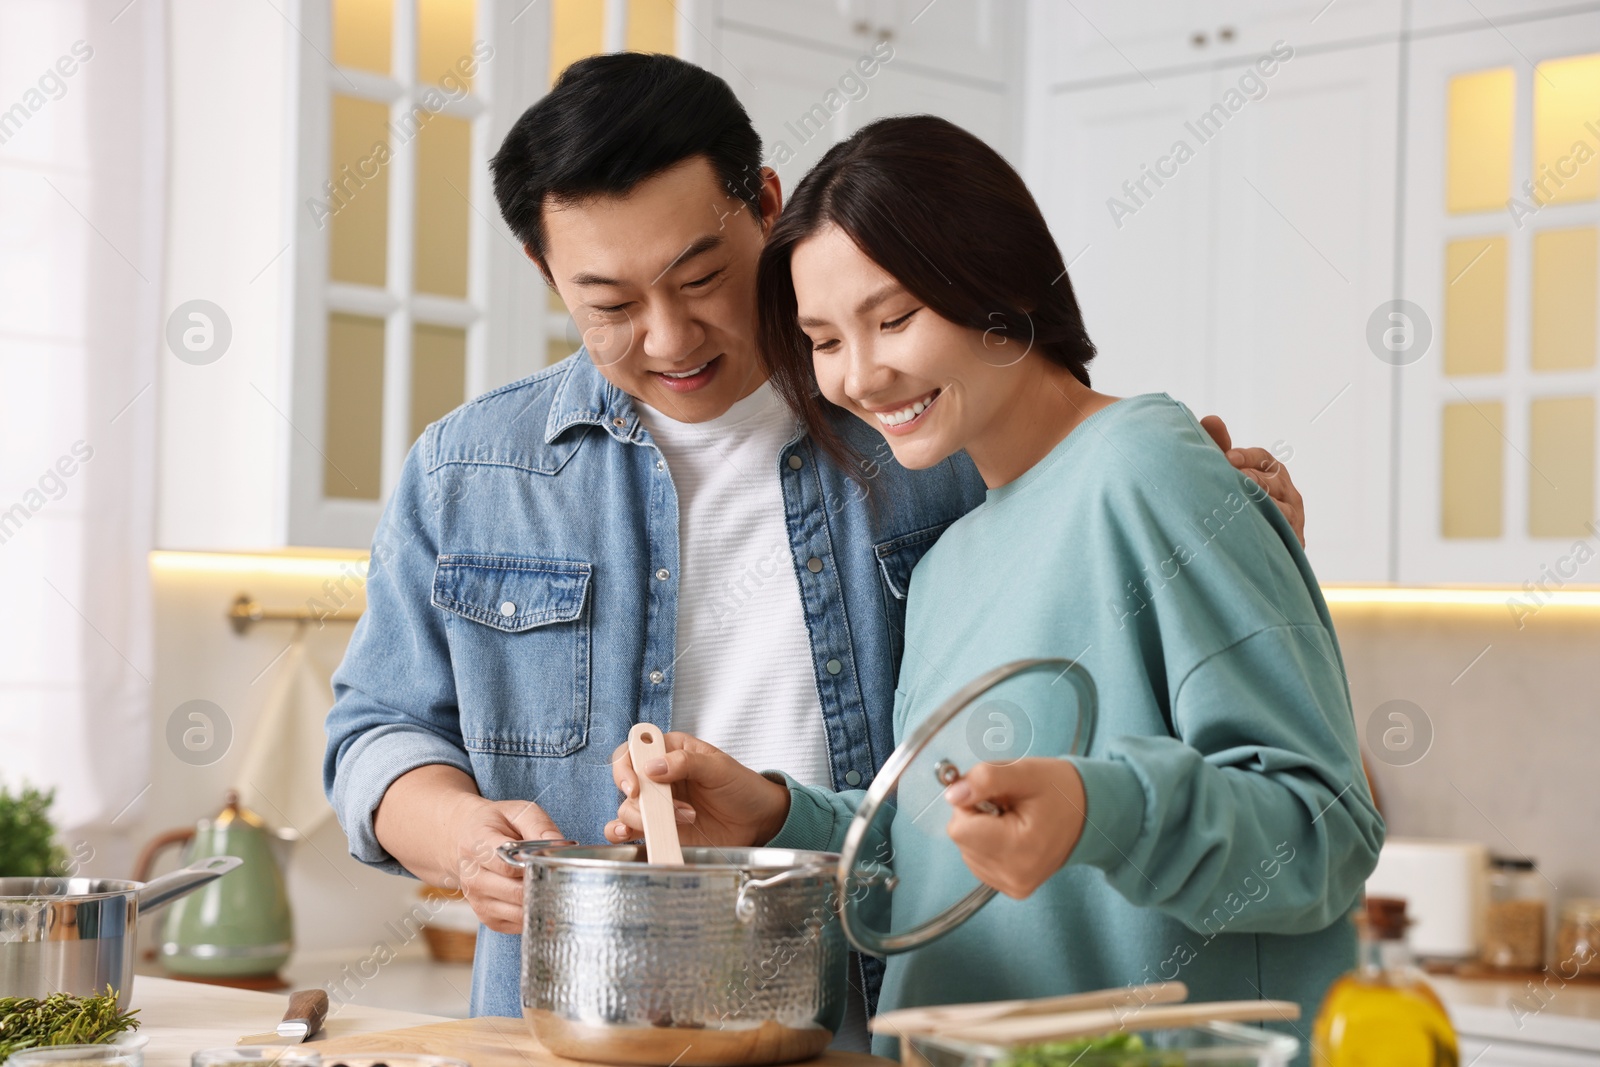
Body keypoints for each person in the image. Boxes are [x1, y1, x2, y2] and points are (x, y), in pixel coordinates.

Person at [322, 53, 1309, 1031]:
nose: (669, 338)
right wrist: (454, 832)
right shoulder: (470, 471)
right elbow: (375, 727)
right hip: (581, 1024)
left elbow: (1114, 568)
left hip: (873, 1011)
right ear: (545, 272)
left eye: (700, 275)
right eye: (611, 306)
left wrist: (1210, 521)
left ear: (762, 200)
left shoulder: (930, 427)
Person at [605, 114, 1381, 1064]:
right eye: (822, 339)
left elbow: (1322, 831)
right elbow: (930, 860)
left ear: (1000, 288)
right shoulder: (947, 565)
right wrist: (772, 813)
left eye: (894, 319)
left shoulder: (1149, 471)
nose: (859, 373)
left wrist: (1100, 813)